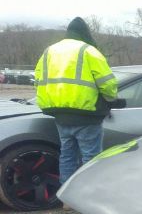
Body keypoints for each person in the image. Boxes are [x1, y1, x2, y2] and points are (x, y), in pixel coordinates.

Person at [34, 17, 124, 184]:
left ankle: (67, 197)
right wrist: (111, 99)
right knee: (91, 157)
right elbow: (108, 83)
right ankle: (89, 196)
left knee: (67, 155)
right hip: (86, 114)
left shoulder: (49, 51)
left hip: (59, 114)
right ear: (85, 33)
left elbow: (38, 80)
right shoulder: (89, 51)